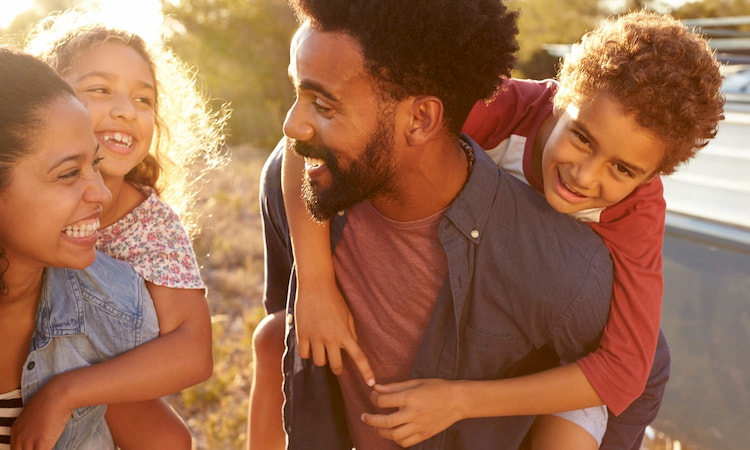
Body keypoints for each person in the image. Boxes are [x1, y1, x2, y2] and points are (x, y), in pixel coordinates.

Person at [251, 8, 724, 449]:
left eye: (622, 169)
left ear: (651, 174)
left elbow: (624, 370)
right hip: (502, 304)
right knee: (275, 335)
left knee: (575, 425)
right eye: (581, 137)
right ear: (563, 99)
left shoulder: (637, 211)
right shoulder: (504, 108)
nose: (585, 175)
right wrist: (315, 284)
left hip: (580, 363)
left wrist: (461, 399)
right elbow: (314, 134)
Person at [20, 8, 228, 448]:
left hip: (93, 394)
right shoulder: (18, 195)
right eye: (100, 89)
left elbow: (193, 351)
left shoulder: (150, 223)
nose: (125, 112)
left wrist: (69, 392)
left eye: (144, 100)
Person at [0, 47, 155, 449]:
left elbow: (165, 437)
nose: (102, 193)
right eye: (69, 173)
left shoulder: (114, 304)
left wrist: (69, 392)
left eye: (96, 165)